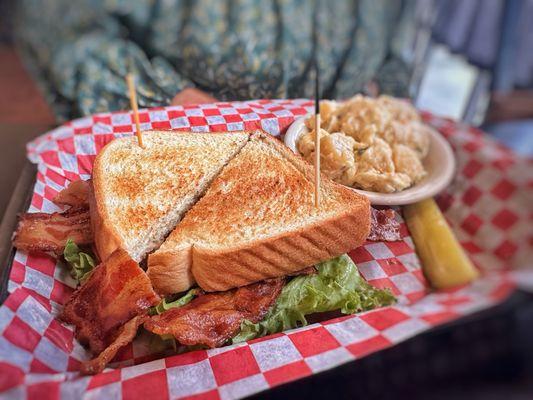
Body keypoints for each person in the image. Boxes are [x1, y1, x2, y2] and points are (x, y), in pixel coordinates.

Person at [13, 0, 416, 122]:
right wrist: (176, 103)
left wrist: (376, 94)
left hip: (343, 171)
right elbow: (57, 26)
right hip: (172, 149)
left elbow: (398, 43)